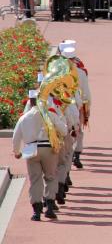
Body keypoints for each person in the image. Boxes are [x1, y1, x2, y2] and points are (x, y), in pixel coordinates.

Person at [13, 89, 67, 221]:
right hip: (48, 148)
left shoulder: (24, 117)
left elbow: (16, 137)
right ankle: (49, 206)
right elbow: (64, 130)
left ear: (30, 102)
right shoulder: (50, 114)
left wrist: (17, 152)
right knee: (50, 177)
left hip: (31, 150)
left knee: (35, 180)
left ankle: (36, 211)